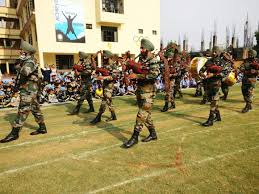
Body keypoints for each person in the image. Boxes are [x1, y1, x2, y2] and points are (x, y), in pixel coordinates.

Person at [0, 40, 47, 143]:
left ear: (26, 52)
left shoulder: (30, 61)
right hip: (30, 89)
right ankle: (42, 128)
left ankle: (14, 133)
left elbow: (26, 71)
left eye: (21, 50)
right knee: (35, 109)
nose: (20, 52)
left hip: (29, 90)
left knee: (23, 110)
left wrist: (18, 66)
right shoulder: (25, 61)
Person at [123, 38, 160, 148]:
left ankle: (134, 137)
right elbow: (138, 69)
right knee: (146, 115)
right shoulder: (141, 59)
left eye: (142, 48)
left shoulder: (153, 60)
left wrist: (137, 76)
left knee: (142, 113)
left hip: (149, 91)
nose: (141, 49)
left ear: (147, 49)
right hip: (140, 89)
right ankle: (153, 134)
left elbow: (154, 74)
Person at [90, 50, 119, 124]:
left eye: (105, 57)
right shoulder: (105, 65)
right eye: (104, 57)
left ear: (109, 57)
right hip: (105, 85)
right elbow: (98, 71)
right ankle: (113, 116)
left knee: (104, 101)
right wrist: (97, 76)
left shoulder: (113, 65)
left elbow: (114, 76)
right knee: (109, 102)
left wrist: (103, 77)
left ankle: (98, 117)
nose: (104, 59)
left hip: (109, 86)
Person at [199, 46, 223, 127]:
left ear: (219, 52)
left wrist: (213, 74)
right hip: (208, 83)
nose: (213, 53)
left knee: (213, 101)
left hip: (216, 83)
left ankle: (210, 119)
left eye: (215, 51)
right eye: (213, 51)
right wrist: (201, 73)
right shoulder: (209, 61)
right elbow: (203, 69)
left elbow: (226, 72)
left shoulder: (222, 61)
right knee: (211, 100)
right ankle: (218, 116)